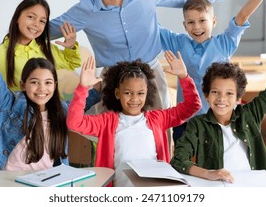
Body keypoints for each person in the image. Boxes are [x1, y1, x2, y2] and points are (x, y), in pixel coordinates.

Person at [48, 0, 254, 111]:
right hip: (114, 82)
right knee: (114, 141)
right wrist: (22, 27)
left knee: (159, 137)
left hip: (151, 76)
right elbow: (48, 29)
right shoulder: (87, 9)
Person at [160, 0, 266, 145]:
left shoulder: (224, 42)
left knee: (215, 166)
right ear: (184, 25)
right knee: (184, 166)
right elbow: (149, 23)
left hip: (219, 119)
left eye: (202, 21)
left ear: (213, 21)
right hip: (186, 121)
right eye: (191, 22)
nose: (197, 27)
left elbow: (244, 13)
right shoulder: (178, 42)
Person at [170, 24, 266, 183]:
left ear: (238, 98)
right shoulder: (197, 125)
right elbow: (178, 160)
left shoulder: (249, 115)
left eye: (229, 94)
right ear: (206, 95)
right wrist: (208, 173)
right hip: (220, 189)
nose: (221, 99)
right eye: (215, 92)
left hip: (254, 186)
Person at [0, 2, 71, 170]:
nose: (41, 89)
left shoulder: (62, 110)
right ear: (23, 85)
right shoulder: (10, 103)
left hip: (46, 180)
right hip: (9, 179)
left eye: (48, 83)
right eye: (34, 82)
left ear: (55, 85)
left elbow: (87, 100)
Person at [67, 50, 202, 186]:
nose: (134, 99)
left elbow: (193, 106)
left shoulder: (159, 118)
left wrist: (184, 77)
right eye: (127, 93)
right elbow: (74, 123)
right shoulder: (106, 122)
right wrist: (83, 88)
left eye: (140, 93)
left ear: (147, 93)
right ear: (117, 93)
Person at [0, 0, 81, 94]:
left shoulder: (46, 49)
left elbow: (71, 63)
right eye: (31, 17)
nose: (37, 24)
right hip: (21, 121)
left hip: (52, 117)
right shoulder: (2, 55)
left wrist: (70, 47)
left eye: (42, 21)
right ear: (17, 18)